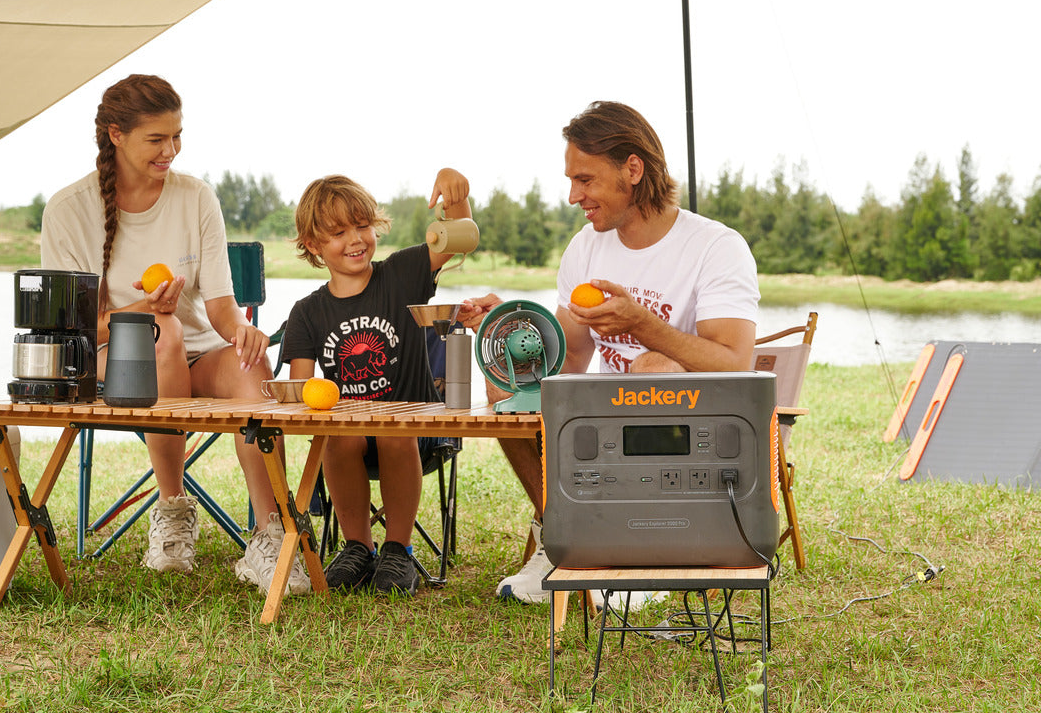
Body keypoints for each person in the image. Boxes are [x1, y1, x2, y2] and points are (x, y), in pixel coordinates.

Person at [460, 100, 760, 605]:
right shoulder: (586, 247)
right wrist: (510, 324)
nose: (574, 195)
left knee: (651, 365)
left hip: (696, 433)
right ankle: (563, 537)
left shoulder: (715, 247)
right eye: (571, 181)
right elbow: (568, 360)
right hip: (613, 417)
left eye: (586, 180)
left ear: (633, 169)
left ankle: (646, 553)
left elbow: (735, 363)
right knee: (511, 387)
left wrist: (642, 325)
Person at [41, 73, 308, 595]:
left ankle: (269, 532)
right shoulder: (69, 210)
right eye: (157, 139)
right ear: (116, 134)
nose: (172, 150)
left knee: (248, 363)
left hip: (197, 351)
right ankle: (173, 510)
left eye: (177, 136)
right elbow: (72, 327)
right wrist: (141, 309)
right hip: (108, 359)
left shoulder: (196, 197)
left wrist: (242, 334)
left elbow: (222, 310)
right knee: (160, 330)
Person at [281, 170, 472, 595]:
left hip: (415, 434)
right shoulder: (306, 312)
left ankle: (397, 550)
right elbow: (302, 391)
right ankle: (358, 548)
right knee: (338, 435)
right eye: (338, 232)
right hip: (349, 438)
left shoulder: (401, 274)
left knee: (392, 431)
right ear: (313, 245)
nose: (356, 239)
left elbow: (459, 238)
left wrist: (455, 196)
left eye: (363, 225)